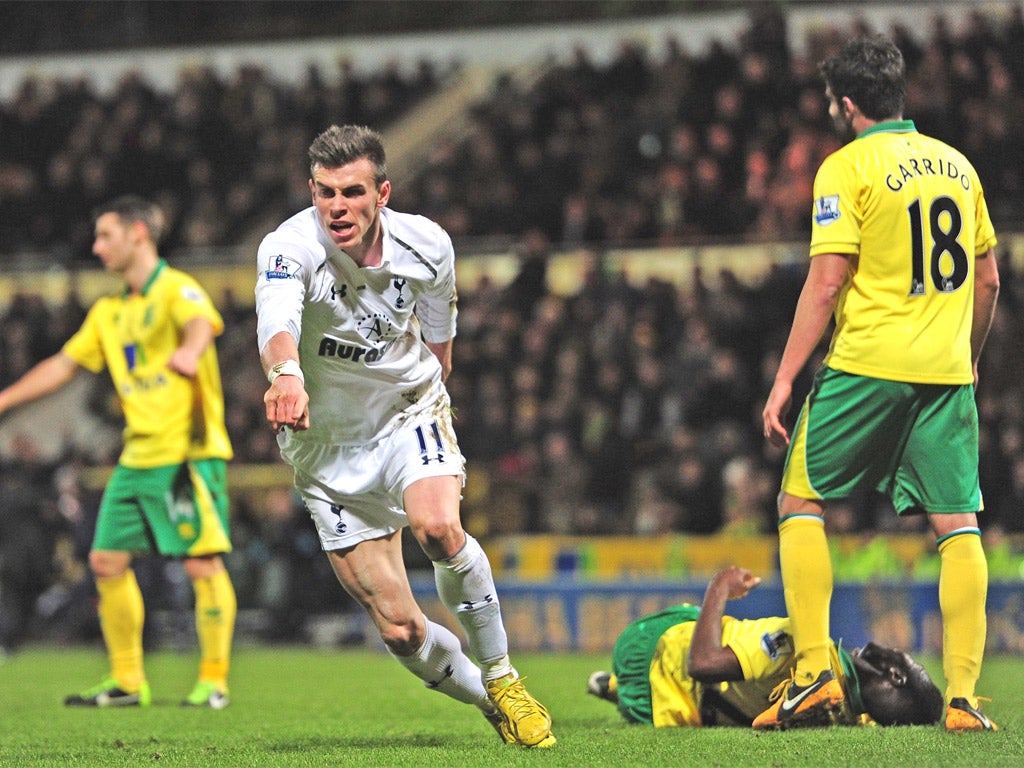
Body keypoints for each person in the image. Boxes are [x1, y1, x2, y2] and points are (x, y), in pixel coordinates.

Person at [254, 124, 555, 747]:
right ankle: (489, 702)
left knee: (439, 528)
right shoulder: (288, 246)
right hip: (327, 449)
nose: (337, 207)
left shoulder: (428, 245)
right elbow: (277, 318)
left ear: (382, 193)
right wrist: (287, 375)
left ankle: (504, 676)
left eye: (352, 192)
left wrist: (432, 377)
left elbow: (441, 328)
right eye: (324, 191)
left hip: (405, 413)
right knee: (400, 630)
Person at [756, 35, 1000, 732]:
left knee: (800, 498)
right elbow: (988, 280)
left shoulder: (846, 167)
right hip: (946, 373)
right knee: (958, 525)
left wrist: (783, 380)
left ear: (848, 103)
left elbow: (828, 283)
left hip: (866, 364)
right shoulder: (959, 166)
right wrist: (970, 355)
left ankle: (812, 678)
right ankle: (962, 700)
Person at [0, 196, 236, 708]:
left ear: (138, 234)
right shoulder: (109, 311)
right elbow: (63, 366)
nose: (96, 246)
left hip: (185, 453)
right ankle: (129, 682)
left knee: (201, 565)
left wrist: (190, 353)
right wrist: (5, 400)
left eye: (105, 235)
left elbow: (201, 325)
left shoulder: (178, 288)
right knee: (106, 561)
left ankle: (214, 680)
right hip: (137, 456)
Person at [586, 566, 943, 728]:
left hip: (649, 649)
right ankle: (614, 687)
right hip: (669, 710)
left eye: (905, 659)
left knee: (703, 626)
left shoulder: (799, 643)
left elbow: (702, 663)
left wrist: (720, 586)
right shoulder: (853, 717)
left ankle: (616, 685)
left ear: (894, 673)